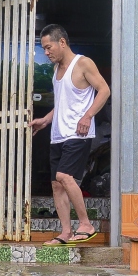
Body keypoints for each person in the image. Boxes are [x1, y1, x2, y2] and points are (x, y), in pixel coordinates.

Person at [30, 24, 111, 246]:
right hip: (58, 134)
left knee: (65, 177)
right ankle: (66, 232)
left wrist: (88, 117)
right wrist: (46, 120)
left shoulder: (83, 63)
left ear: (62, 42)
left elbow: (104, 90)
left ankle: (85, 224)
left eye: (48, 47)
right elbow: (63, 103)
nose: (46, 53)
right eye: (44, 49)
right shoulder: (57, 70)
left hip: (78, 133)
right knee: (57, 184)